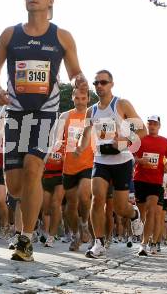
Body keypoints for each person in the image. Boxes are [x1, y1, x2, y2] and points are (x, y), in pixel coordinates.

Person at [0, 0, 88, 262]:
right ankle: (25, 226)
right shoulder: (10, 35)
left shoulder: (62, 37)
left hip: (45, 112)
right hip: (16, 113)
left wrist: (80, 80)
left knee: (34, 167)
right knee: (16, 186)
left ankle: (26, 239)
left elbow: (75, 72)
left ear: (50, 1)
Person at [76, 69, 146, 259]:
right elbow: (86, 132)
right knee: (97, 197)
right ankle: (98, 243)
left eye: (103, 82)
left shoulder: (121, 104)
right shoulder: (92, 110)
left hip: (122, 161)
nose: (99, 86)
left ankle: (134, 215)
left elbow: (142, 131)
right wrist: (80, 148)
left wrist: (124, 141)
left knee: (120, 208)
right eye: (96, 83)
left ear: (111, 84)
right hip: (101, 159)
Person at [55, 88, 94, 251]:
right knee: (71, 205)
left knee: (84, 196)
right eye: (76, 98)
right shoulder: (65, 116)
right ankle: (76, 234)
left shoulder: (93, 116)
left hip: (88, 164)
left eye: (83, 98)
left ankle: (85, 223)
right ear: (72, 98)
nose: (79, 101)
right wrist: (56, 146)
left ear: (88, 99)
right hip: (69, 166)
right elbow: (57, 139)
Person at [133, 115, 167, 256]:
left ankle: (143, 244)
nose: (152, 126)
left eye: (155, 124)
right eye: (149, 123)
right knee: (142, 213)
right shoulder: (140, 139)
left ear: (159, 126)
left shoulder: (165, 142)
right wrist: (139, 160)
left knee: (151, 211)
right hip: (139, 179)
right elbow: (132, 156)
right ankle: (138, 223)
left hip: (156, 181)